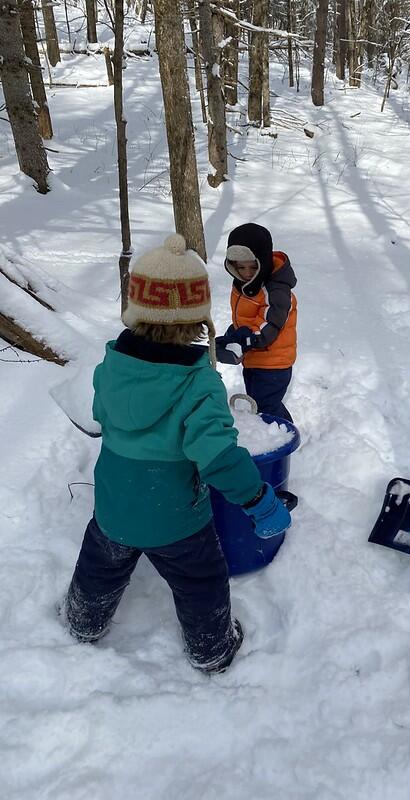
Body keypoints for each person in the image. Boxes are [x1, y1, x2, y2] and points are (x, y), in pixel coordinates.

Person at [63, 234, 290, 673]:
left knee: (100, 567)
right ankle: (212, 649)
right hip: (176, 520)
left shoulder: (111, 365)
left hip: (113, 507)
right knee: (200, 580)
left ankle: (82, 622)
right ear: (197, 318)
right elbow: (219, 458)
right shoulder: (199, 383)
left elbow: (99, 413)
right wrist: (260, 501)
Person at [215, 223, 297, 422]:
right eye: (240, 267)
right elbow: (245, 320)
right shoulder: (244, 286)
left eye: (253, 267)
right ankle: (281, 429)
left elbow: (269, 325)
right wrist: (231, 335)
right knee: (260, 402)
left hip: (273, 363)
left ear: (263, 262)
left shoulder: (276, 290)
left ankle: (281, 437)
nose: (247, 272)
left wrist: (244, 339)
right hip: (254, 359)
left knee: (265, 406)